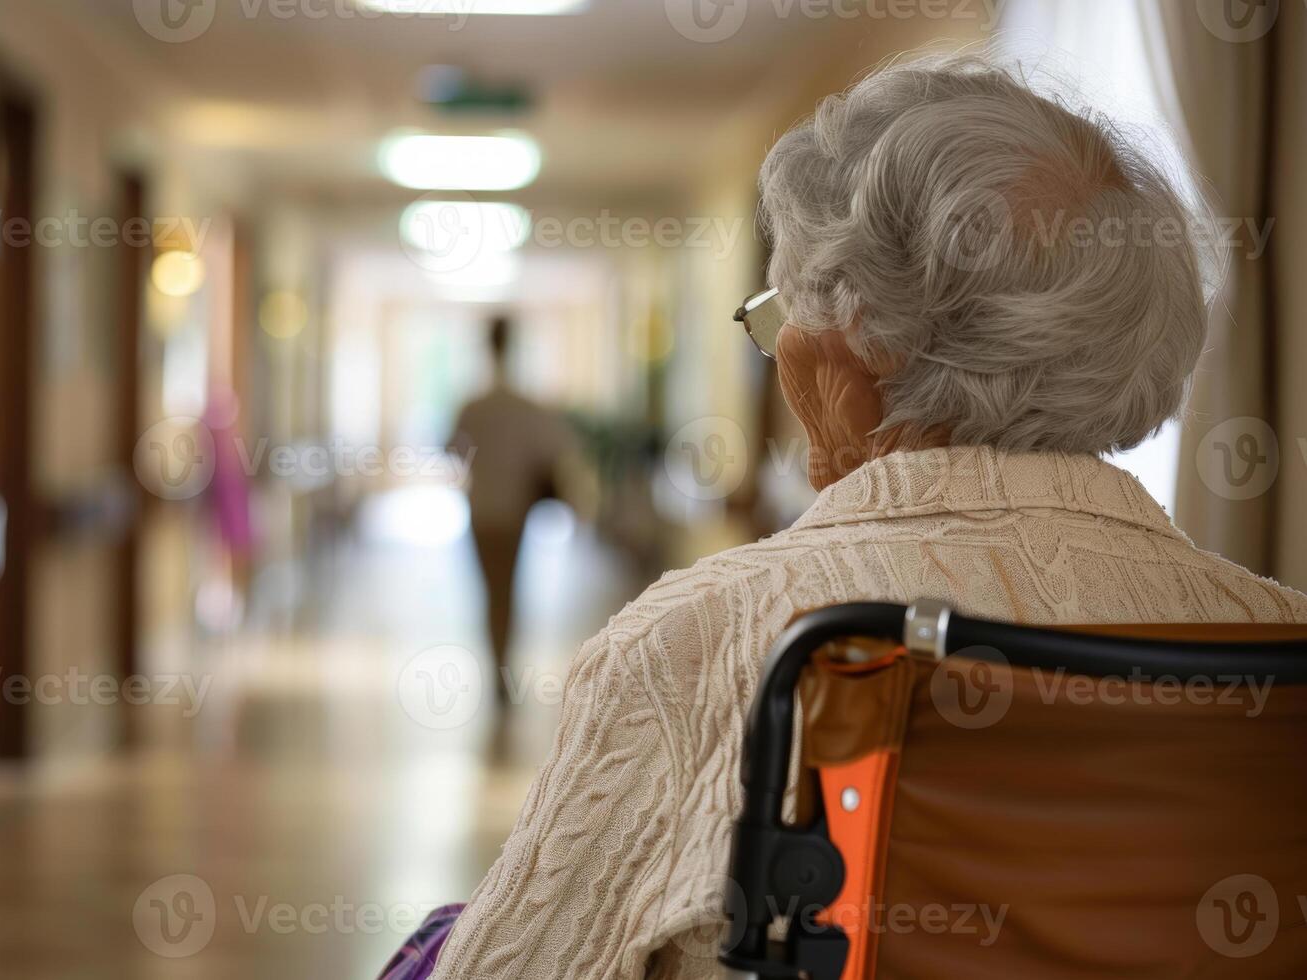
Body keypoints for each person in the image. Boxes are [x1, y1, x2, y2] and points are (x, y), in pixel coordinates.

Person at [421, 53, 1307, 979]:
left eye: (777, 317)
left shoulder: (709, 645)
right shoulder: (1276, 643)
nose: (776, 352)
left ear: (860, 339)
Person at [448, 315, 569, 698]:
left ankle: (498, 664)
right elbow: (553, 452)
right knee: (509, 590)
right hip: (514, 513)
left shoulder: (473, 406)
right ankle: (503, 669)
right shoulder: (526, 407)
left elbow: (451, 448)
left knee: (491, 591)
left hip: (482, 512)